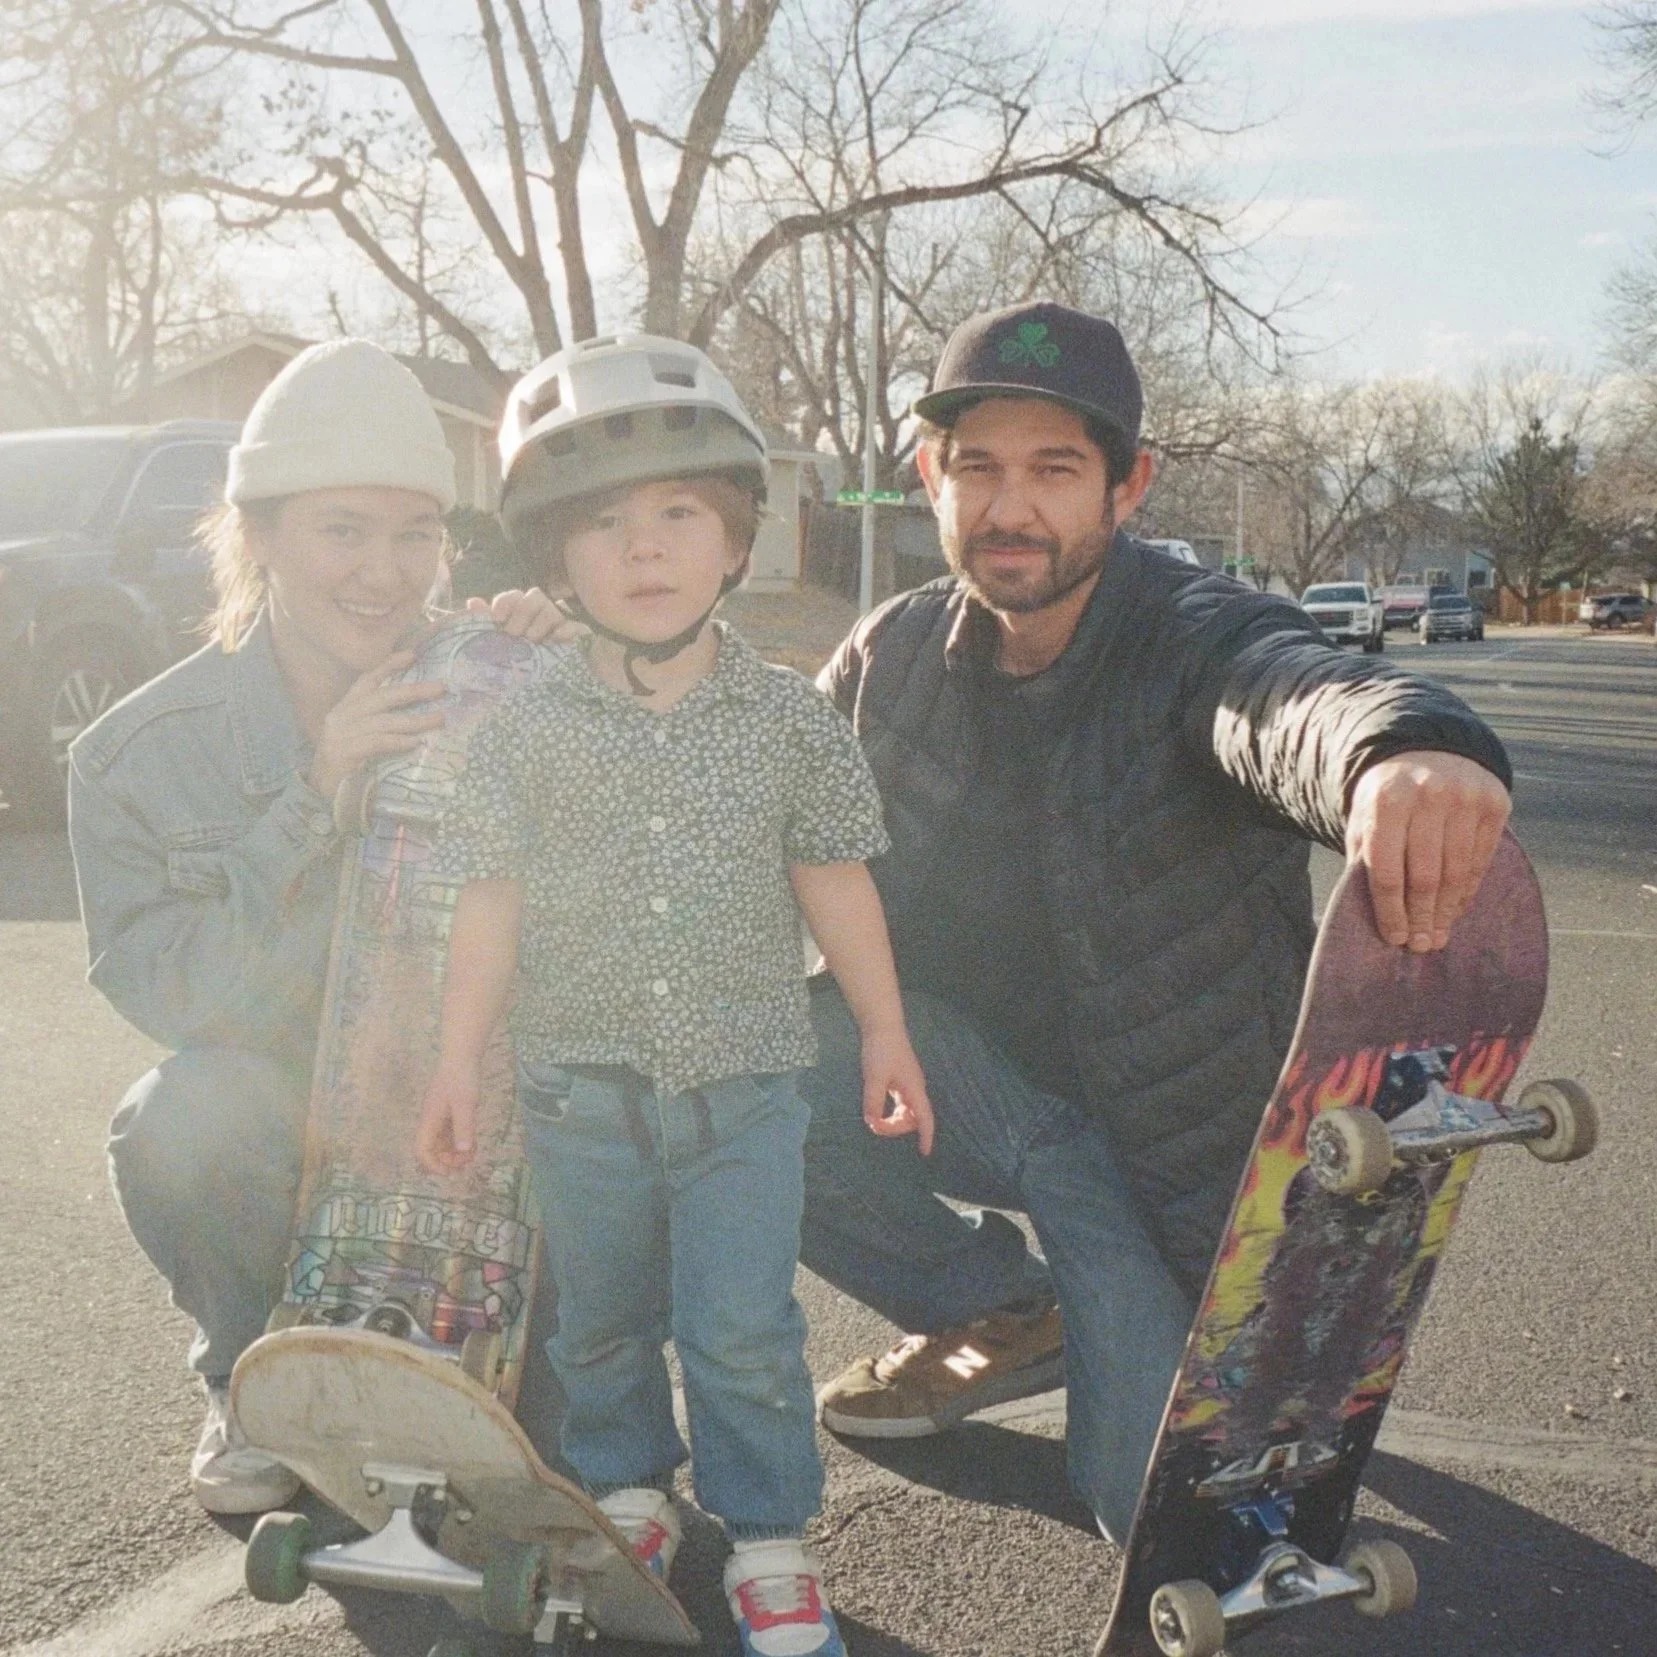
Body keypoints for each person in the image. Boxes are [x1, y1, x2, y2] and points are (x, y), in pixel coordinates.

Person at [795, 302, 1514, 1543]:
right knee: (743, 1049)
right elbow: (752, 790)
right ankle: (1002, 1306)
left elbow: (1294, 693)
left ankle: (1153, 1326)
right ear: (929, 476)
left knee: (1163, 1510)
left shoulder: (1191, 635)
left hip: (1165, 1151)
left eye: (1055, 469)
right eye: (978, 468)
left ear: (1129, 486)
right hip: (962, 1089)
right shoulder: (891, 654)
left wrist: (1404, 749)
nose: (1010, 507)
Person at [414, 334, 932, 1657]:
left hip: (743, 1088)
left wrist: (882, 1028)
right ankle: (631, 1489)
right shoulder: (520, 729)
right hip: (574, 1082)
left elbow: (836, 880)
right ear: (554, 557)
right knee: (599, 1317)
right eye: (602, 523)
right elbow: (489, 901)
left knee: (743, 1326)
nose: (642, 549)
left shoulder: (789, 721)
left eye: (677, 513)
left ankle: (764, 1533)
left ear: (735, 538)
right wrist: (456, 1058)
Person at [68, 339, 567, 1515]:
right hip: (291, 1113)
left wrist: (590, 680)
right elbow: (178, 998)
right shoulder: (133, 754)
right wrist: (317, 800)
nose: (384, 572)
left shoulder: (497, 680)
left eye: (414, 533)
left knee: (554, 1459)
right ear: (260, 532)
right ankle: (257, 1376)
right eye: (343, 529)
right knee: (176, 1119)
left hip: (483, 1122)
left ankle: (538, 1369)